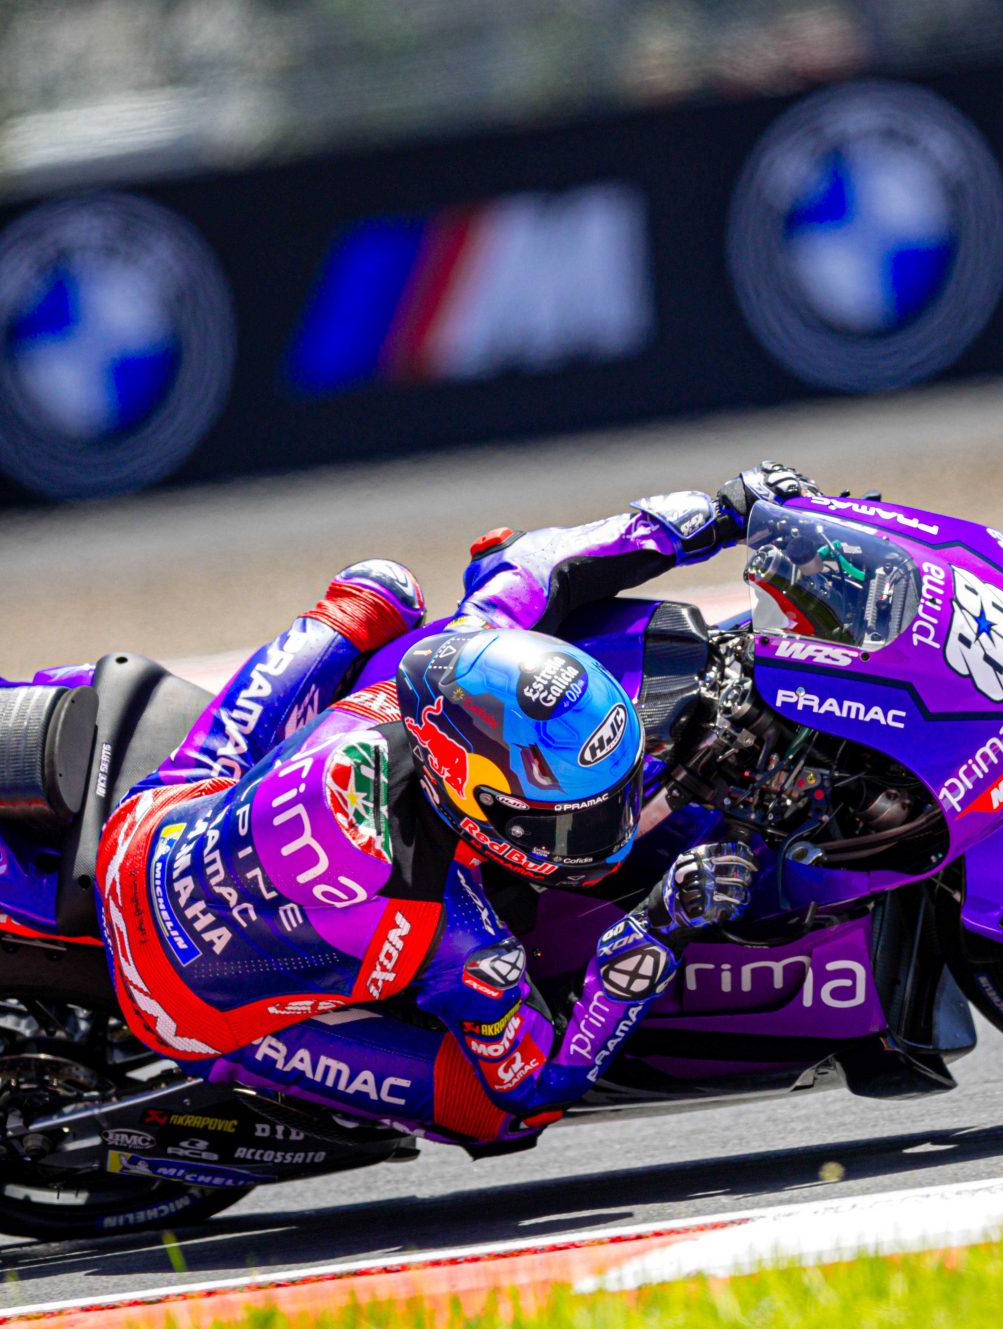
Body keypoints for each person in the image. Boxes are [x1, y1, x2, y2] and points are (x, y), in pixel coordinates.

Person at [94, 462, 820, 1146]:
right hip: (179, 1001)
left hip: (149, 823)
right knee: (496, 1118)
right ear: (481, 808)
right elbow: (538, 1084)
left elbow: (536, 566)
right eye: (572, 816)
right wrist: (657, 926)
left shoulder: (432, 672)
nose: (606, 825)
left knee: (377, 591)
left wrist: (722, 513)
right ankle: (240, 1062)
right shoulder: (454, 938)